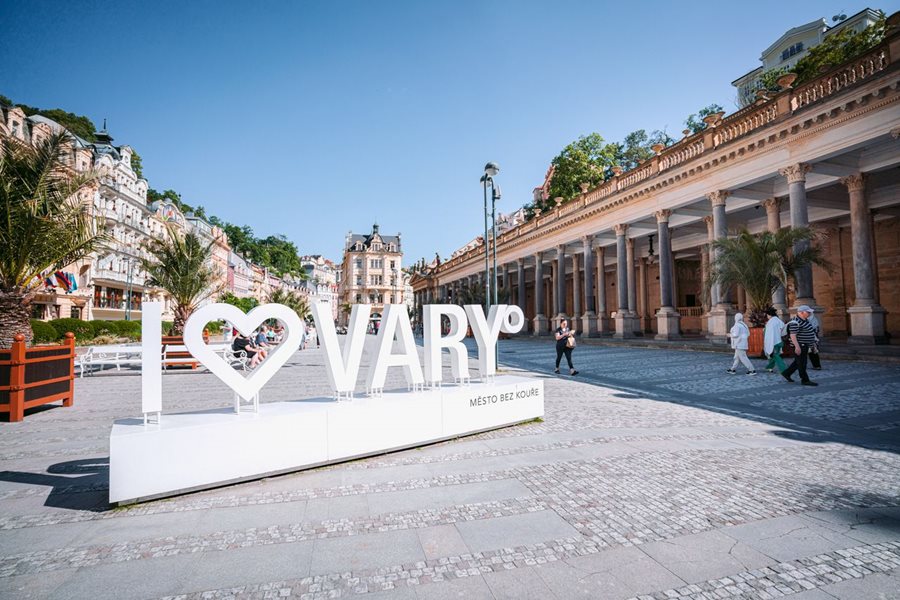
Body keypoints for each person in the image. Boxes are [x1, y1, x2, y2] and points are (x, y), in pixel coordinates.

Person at [782, 305, 818, 386]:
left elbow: (810, 332)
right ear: (801, 312)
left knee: (798, 362)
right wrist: (797, 347)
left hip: (805, 344)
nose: (809, 313)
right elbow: (793, 335)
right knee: (802, 363)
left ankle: (786, 373)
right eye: (807, 312)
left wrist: (813, 345)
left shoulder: (805, 320)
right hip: (800, 345)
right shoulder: (795, 322)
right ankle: (805, 380)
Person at [763, 307, 787, 374]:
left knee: (776, 356)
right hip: (779, 341)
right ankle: (769, 367)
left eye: (767, 315)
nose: (767, 317)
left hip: (773, 342)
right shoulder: (778, 320)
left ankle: (784, 369)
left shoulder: (770, 323)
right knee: (774, 355)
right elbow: (783, 328)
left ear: (769, 315)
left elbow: (768, 334)